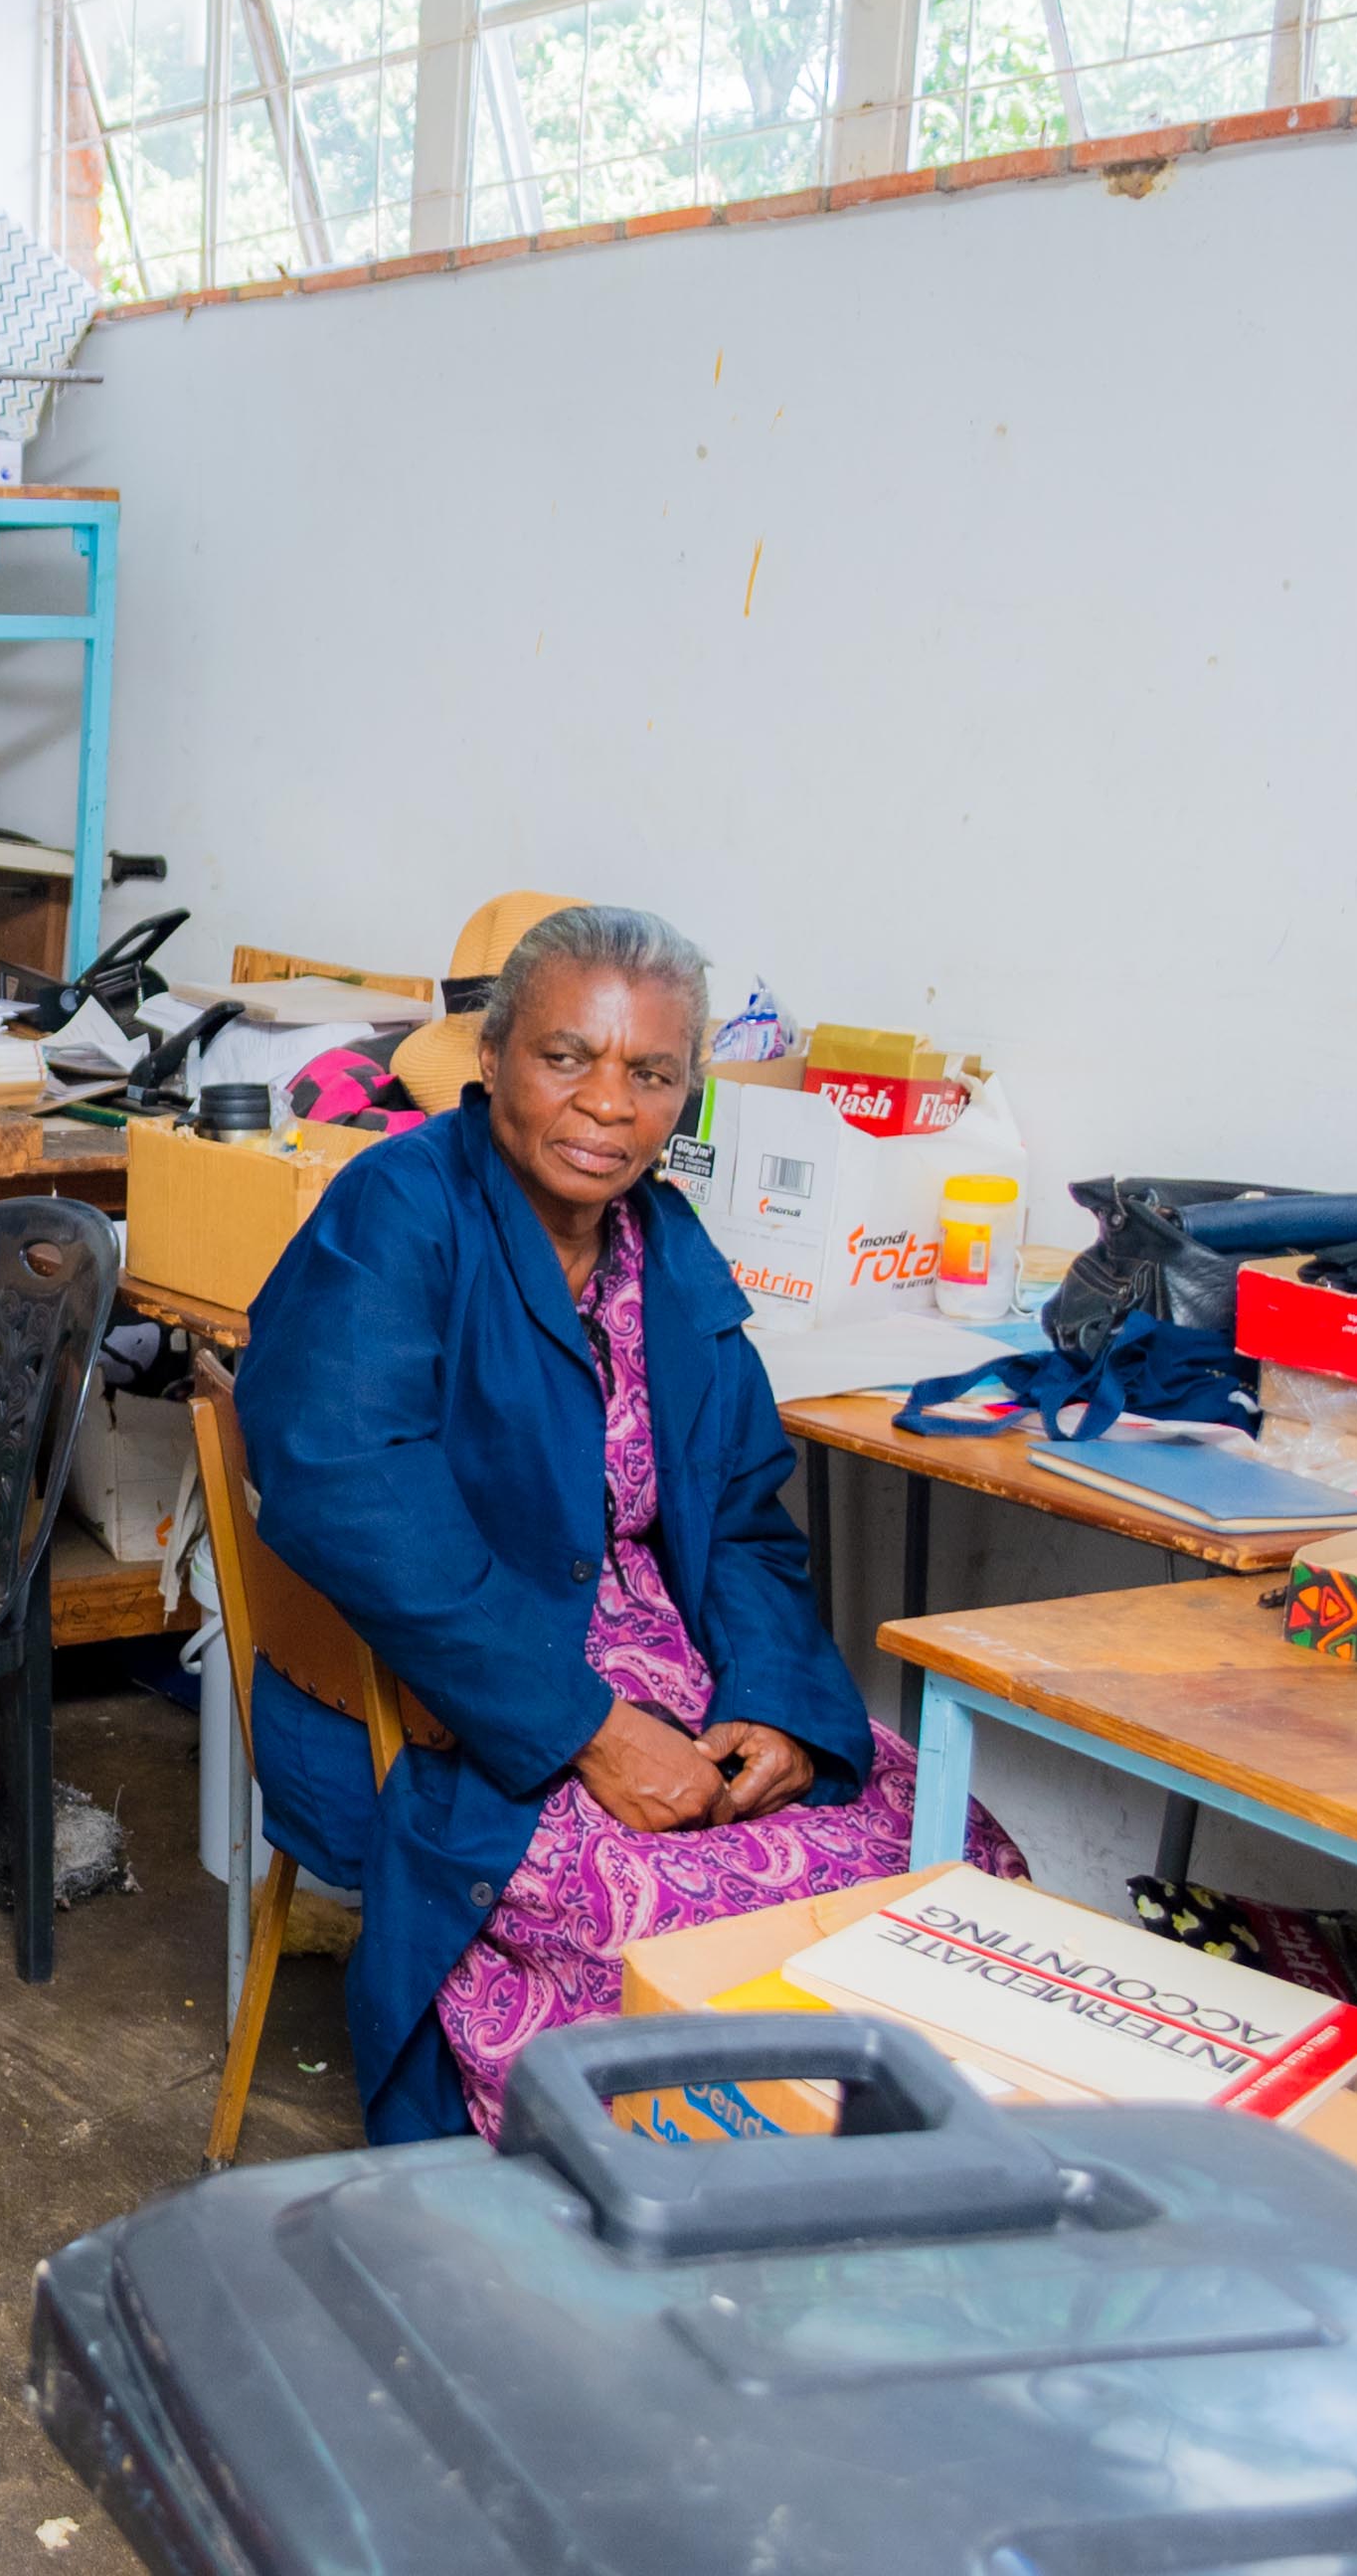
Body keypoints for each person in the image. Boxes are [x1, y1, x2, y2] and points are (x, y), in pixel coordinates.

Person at [233, 901, 1019, 2144]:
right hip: (440, 1699)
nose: (606, 1103)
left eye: (649, 1073)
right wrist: (589, 1730)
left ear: (684, 1094)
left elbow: (743, 1512)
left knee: (952, 1855)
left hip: (671, 1674)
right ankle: (659, 2185)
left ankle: (855, 2178)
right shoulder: (397, 1211)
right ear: (491, 1056)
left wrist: (772, 1702)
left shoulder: (666, 1245)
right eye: (565, 1057)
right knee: (673, 1907)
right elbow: (348, 1493)